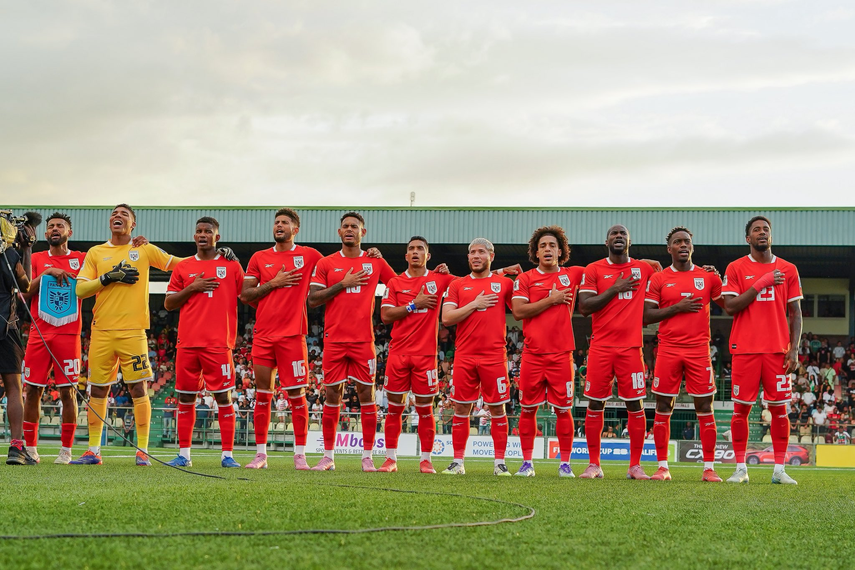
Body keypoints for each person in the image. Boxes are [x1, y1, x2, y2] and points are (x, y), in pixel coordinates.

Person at [70, 204, 185, 465]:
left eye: (124, 214)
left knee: (138, 388)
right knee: (97, 390)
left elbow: (180, 266)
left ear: (133, 225)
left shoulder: (143, 248)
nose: (117, 216)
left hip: (133, 332)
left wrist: (211, 257)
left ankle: (142, 451)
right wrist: (109, 277)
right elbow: (81, 290)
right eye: (114, 214)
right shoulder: (96, 252)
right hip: (101, 332)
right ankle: (93, 451)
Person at [308, 212, 396, 471]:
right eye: (345, 226)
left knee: (366, 394)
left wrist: (432, 273)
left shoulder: (374, 262)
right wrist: (343, 284)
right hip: (334, 340)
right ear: (339, 232)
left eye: (354, 227)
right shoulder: (326, 263)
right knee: (332, 394)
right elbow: (313, 299)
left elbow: (401, 283)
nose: (349, 230)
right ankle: (328, 457)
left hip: (363, 341)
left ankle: (367, 456)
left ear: (362, 233)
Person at [721, 216, 802, 485]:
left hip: (777, 351)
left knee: (780, 410)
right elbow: (731, 307)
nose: (762, 233)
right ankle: (740, 468)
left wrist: (794, 349)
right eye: (756, 230)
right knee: (740, 411)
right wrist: (762, 282)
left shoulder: (789, 269)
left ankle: (779, 470)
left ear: (771, 236)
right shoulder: (735, 268)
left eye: (766, 229)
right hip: (744, 349)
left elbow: (796, 312)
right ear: (748, 238)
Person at [239, 208, 323, 470]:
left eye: (285, 222)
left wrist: (370, 255)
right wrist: (274, 283)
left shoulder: (309, 255)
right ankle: (261, 454)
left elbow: (338, 263)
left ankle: (300, 454)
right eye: (276, 222)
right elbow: (246, 294)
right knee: (263, 395)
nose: (279, 226)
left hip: (292, 336)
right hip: (263, 335)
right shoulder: (259, 257)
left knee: (297, 396)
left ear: (295, 229)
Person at [643, 226, 724, 482]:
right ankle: (663, 467)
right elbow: (646, 316)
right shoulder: (659, 279)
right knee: (663, 405)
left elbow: (729, 303)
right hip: (668, 349)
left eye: (687, 241)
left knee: (704, 405)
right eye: (677, 242)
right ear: (669, 249)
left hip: (699, 350)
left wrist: (721, 277)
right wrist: (677, 307)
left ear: (693, 246)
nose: (683, 245)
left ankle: (709, 468)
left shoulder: (708, 277)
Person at [577, 225, 657, 480]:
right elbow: (585, 307)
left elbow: (673, 276)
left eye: (623, 234)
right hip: (600, 348)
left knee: (635, 404)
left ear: (630, 241)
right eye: (614, 234)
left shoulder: (644, 269)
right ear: (606, 241)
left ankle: (635, 466)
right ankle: (594, 464)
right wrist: (615, 287)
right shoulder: (594, 269)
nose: (619, 237)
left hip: (631, 348)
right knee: (594, 403)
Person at [164, 217, 244, 468]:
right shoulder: (184, 267)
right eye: (198, 231)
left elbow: (248, 293)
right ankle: (184, 455)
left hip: (218, 344)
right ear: (194, 236)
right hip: (187, 343)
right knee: (186, 399)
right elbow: (168, 303)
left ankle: (227, 455)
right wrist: (193, 287)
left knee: (223, 398)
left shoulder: (230, 266)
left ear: (216, 237)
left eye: (208, 231)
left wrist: (239, 261)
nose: (202, 235)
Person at [510, 226, 583, 478]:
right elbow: (519, 311)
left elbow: (609, 269)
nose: (548, 249)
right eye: (543, 246)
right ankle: (527, 463)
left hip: (562, 355)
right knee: (528, 409)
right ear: (536, 252)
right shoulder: (526, 279)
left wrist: (645, 263)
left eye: (552, 245)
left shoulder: (573, 275)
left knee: (564, 410)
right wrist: (550, 300)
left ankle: (565, 464)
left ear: (560, 251)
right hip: (533, 354)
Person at [377, 236, 454, 473]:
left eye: (420, 249)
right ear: (406, 256)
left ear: (428, 256)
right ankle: (390, 459)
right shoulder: (394, 282)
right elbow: (386, 316)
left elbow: (473, 281)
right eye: (411, 249)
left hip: (425, 356)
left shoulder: (439, 278)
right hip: (398, 353)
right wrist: (413, 304)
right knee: (394, 409)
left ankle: (426, 460)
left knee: (424, 409)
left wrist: (504, 271)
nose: (415, 252)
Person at [440, 238, 515, 476]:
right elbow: (447, 318)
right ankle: (458, 462)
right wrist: (475, 303)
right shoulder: (457, 285)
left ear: (491, 255)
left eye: (481, 252)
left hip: (494, 356)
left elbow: (522, 311)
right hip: (464, 356)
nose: (475, 255)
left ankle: (500, 463)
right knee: (461, 409)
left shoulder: (504, 284)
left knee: (497, 410)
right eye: (472, 252)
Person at [21, 213, 86, 464]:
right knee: (32, 390)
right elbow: (25, 292)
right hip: (39, 333)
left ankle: (66, 451)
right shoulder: (36, 259)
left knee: (68, 392)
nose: (55, 229)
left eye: (60, 226)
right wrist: (47, 271)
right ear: (45, 234)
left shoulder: (81, 259)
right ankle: (31, 448)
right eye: (50, 227)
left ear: (70, 232)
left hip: (69, 332)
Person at [0, 213, 37, 464]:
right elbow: (25, 285)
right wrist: (26, 250)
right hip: (5, 326)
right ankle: (16, 447)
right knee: (13, 387)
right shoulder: (10, 256)